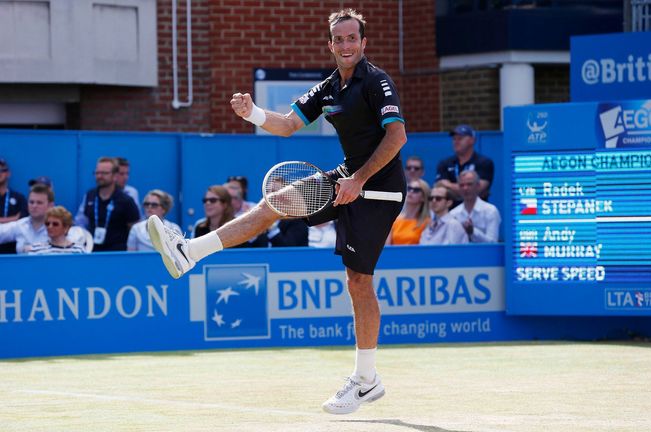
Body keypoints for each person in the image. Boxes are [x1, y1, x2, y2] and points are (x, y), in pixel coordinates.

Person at [147, 8, 406, 415]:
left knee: (358, 281)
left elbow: (397, 135)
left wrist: (359, 180)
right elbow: (286, 124)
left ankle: (366, 381)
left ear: (363, 43)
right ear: (331, 44)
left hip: (379, 189)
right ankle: (188, 253)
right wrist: (251, 112)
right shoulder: (328, 88)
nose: (346, 45)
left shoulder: (376, 81)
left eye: (352, 38)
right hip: (345, 177)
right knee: (273, 203)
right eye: (339, 39)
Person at [0, 184, 91, 253]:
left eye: (39, 203)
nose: (34, 206)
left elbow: (78, 241)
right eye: (31, 202)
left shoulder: (62, 227)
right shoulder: (19, 225)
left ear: (50, 205)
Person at [78, 157, 139, 251]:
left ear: (115, 176)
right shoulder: (90, 195)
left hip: (117, 254)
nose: (99, 176)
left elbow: (134, 230)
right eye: (97, 173)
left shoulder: (126, 200)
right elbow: (81, 222)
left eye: (104, 173)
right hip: (92, 252)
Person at [435, 124, 494, 207]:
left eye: (460, 138)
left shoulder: (484, 162)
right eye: (454, 139)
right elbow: (440, 190)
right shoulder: (445, 163)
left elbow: (478, 190)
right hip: (451, 212)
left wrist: (448, 185)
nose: (456, 142)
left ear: (472, 140)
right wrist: (468, 190)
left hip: (477, 212)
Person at [450, 170, 501, 243]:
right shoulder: (453, 214)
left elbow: (492, 243)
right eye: (462, 185)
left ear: (478, 186)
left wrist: (473, 232)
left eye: (469, 184)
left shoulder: (490, 211)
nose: (465, 188)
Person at [386, 179, 430, 245]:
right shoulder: (395, 220)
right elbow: (387, 246)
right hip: (394, 254)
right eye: (409, 188)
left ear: (423, 197)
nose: (411, 191)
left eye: (416, 190)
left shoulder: (427, 222)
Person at [0, 158, 28, 253]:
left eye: (2, 170)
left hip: (12, 251)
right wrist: (13, 219)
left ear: (8, 173)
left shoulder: (19, 198)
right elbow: (17, 219)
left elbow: (23, 221)